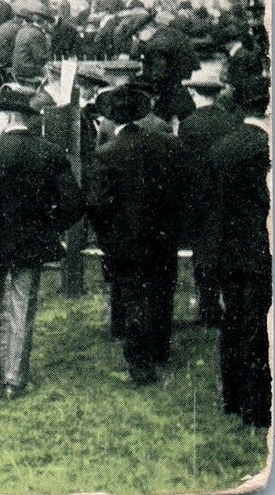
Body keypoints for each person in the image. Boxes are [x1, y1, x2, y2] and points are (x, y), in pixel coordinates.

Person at [0, 85, 82, 398]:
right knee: (22, 308)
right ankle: (14, 379)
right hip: (30, 244)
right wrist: (50, 228)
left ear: (8, 116)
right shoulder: (50, 152)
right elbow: (73, 204)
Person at [84, 85, 195, 385]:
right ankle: (159, 350)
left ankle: (140, 364)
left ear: (111, 118)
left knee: (133, 297)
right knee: (161, 292)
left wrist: (106, 237)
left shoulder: (106, 154)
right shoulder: (169, 146)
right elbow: (185, 188)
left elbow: (96, 204)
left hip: (125, 241)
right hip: (163, 236)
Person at [208, 76, 271, 428]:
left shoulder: (223, 149)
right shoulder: (274, 147)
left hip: (230, 250)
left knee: (233, 324)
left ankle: (234, 396)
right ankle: (259, 405)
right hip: (265, 250)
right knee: (261, 327)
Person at [177, 67, 239, 327]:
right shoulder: (231, 121)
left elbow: (184, 165)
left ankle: (209, 307)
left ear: (194, 92)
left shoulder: (188, 125)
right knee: (229, 250)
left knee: (203, 254)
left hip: (198, 198)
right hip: (229, 196)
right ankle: (232, 305)